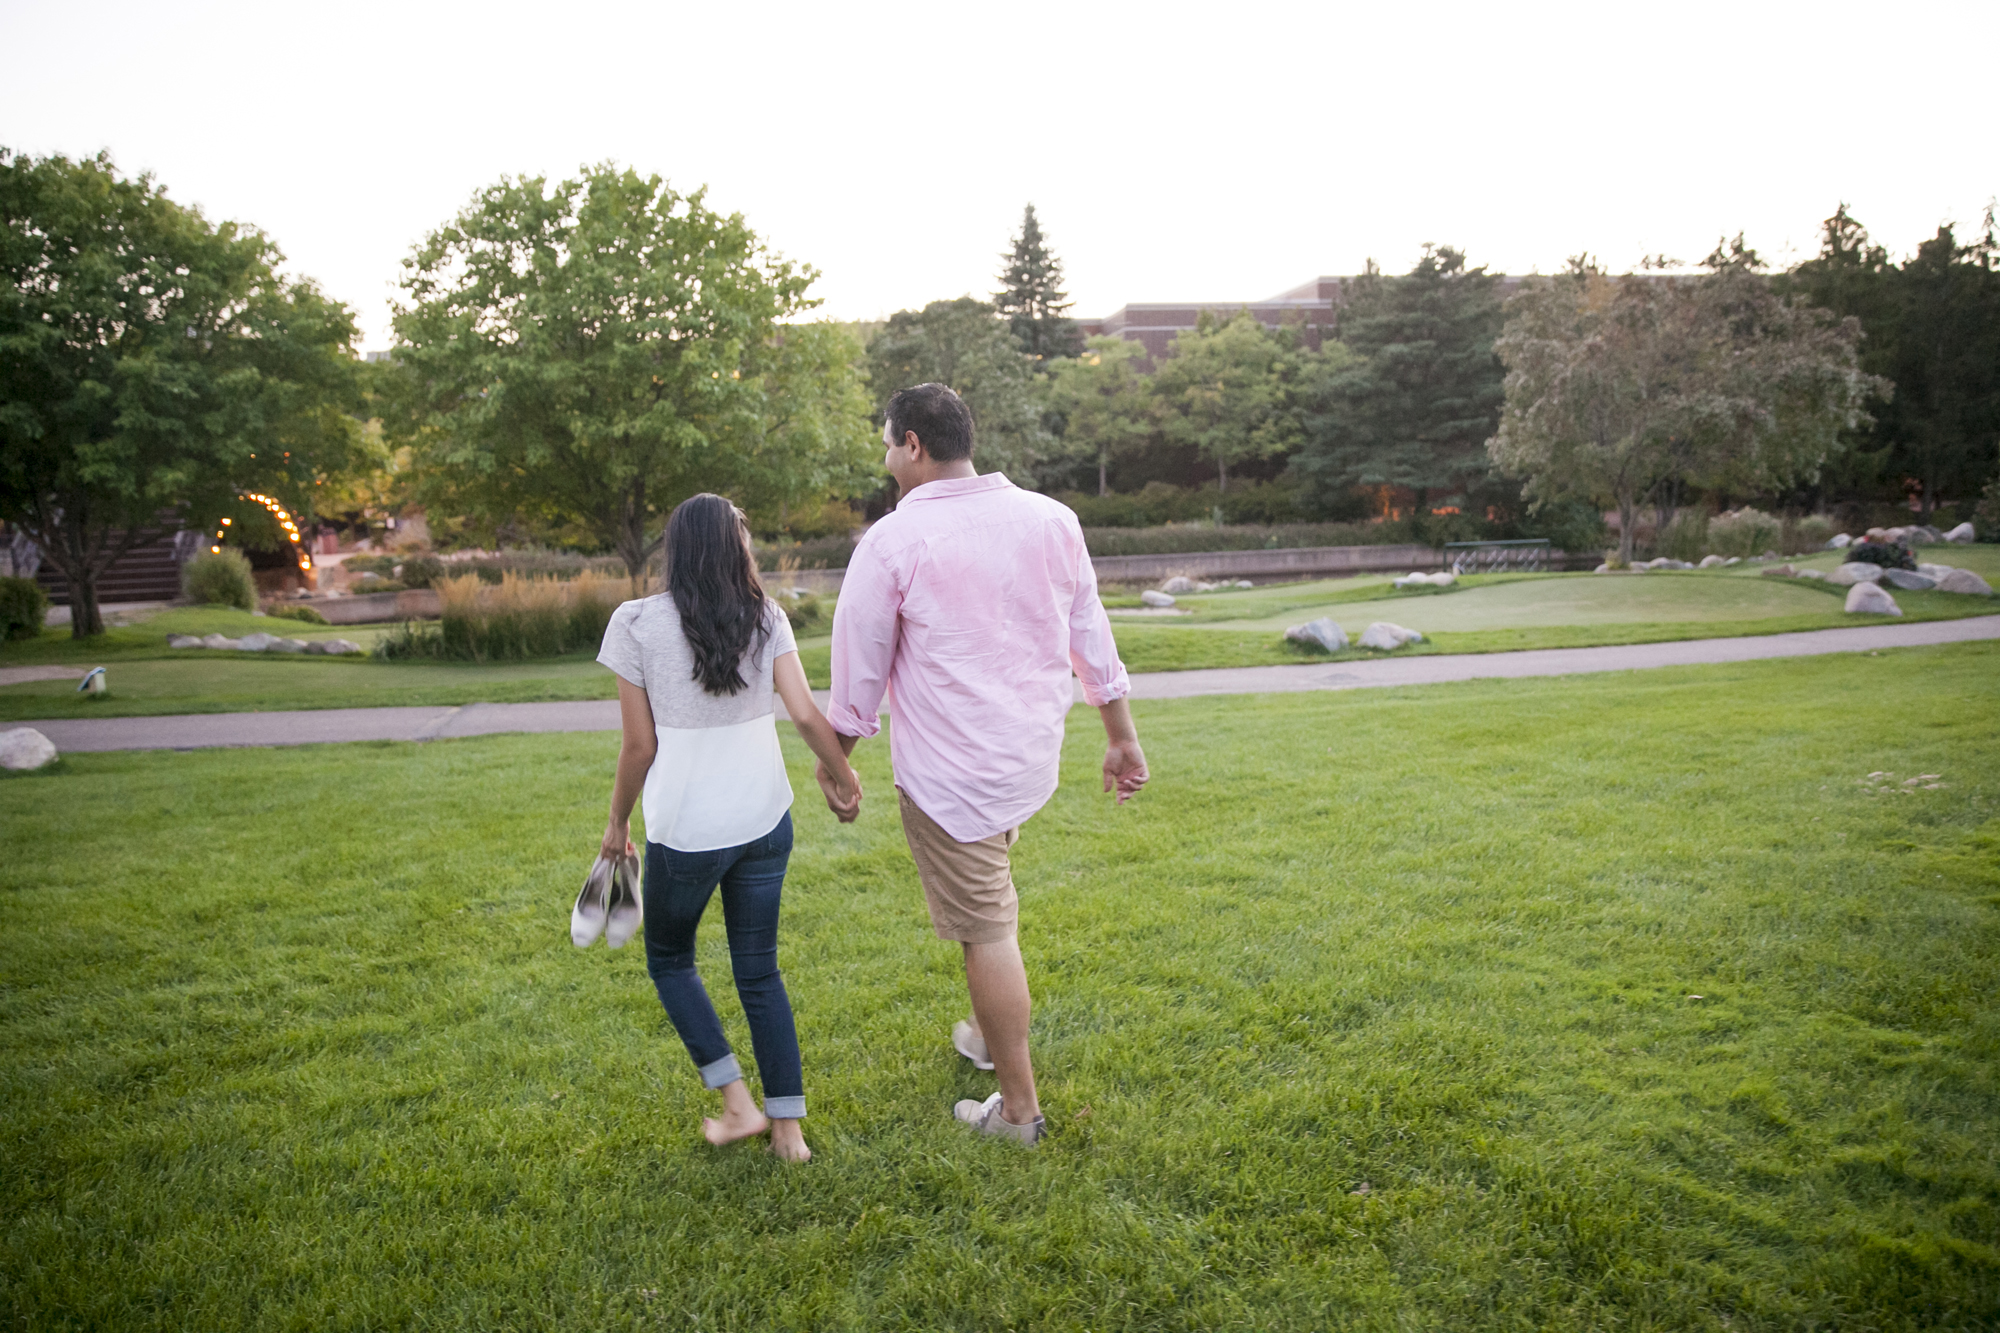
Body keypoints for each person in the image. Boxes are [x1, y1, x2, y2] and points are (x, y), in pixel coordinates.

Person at [822, 383, 1148, 1146]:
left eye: (885, 441)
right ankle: (982, 1030)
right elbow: (1089, 632)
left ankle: (1020, 1112)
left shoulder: (894, 541)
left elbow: (859, 669)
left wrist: (838, 761)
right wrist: (1120, 734)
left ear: (912, 444)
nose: (885, 456)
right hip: (1027, 761)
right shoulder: (1051, 518)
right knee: (990, 900)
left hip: (951, 780)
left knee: (986, 929)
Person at [597, 493, 861, 1164]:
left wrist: (617, 821)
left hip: (688, 832)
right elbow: (804, 714)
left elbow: (638, 747)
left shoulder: (635, 623)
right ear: (733, 547)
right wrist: (843, 776)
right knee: (760, 973)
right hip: (764, 821)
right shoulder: (764, 616)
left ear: (677, 549)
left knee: (669, 960)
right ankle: (790, 1134)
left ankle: (737, 1100)